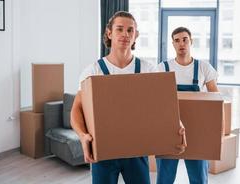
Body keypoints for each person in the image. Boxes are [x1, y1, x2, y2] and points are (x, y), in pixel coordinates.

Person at [70, 11, 186, 184]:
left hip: (137, 152)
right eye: (120, 29)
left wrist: (177, 125)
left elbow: (164, 106)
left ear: (136, 36)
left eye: (130, 30)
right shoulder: (94, 71)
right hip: (103, 153)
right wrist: (83, 135)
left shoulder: (148, 70)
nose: (125, 34)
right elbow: (76, 109)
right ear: (109, 33)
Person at [156, 27, 219, 184]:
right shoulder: (162, 68)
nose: (181, 44)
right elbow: (155, 101)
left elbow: (216, 100)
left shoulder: (204, 67)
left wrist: (218, 133)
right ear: (173, 44)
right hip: (168, 131)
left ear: (191, 41)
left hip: (197, 131)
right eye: (177, 40)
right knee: (164, 179)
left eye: (185, 39)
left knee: (199, 179)